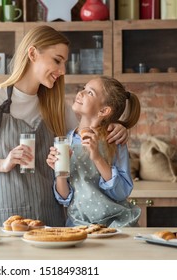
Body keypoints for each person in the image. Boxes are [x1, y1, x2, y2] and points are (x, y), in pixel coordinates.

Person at [0, 25, 128, 227]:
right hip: (3, 221)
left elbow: (86, 139)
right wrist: (2, 164)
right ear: (32, 53)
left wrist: (116, 127)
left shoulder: (58, 108)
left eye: (64, 63)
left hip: (49, 222)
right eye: (57, 60)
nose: (62, 70)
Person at [46, 76, 141, 227]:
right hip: (79, 225)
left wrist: (97, 157)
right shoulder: (66, 141)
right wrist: (59, 172)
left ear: (104, 110)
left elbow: (122, 192)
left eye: (90, 93)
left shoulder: (114, 140)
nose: (81, 93)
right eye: (83, 88)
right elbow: (64, 198)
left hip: (115, 225)